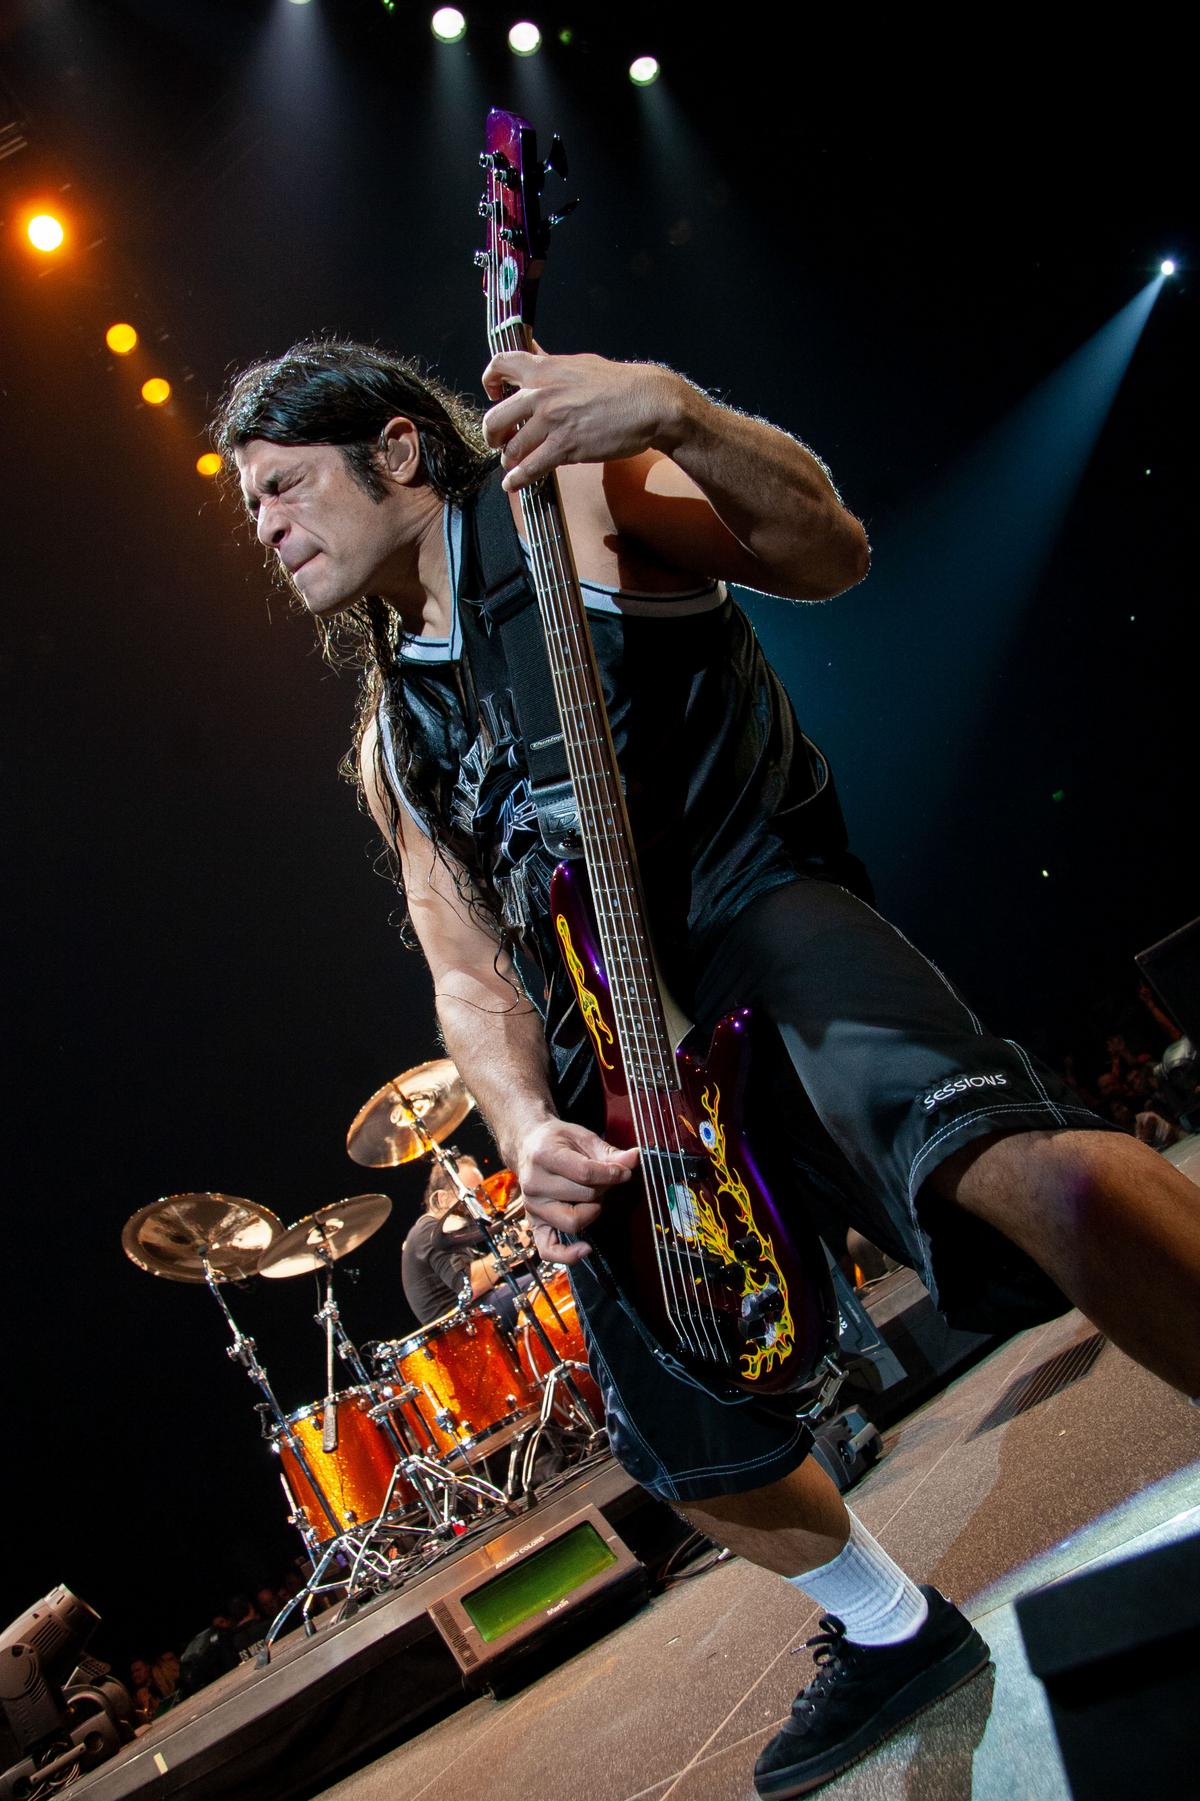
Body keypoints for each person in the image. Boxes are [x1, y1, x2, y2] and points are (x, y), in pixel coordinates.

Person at [213, 339, 1200, 1798]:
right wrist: (525, 1124)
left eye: (286, 485)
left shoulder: (577, 506)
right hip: (616, 1063)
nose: (267, 525)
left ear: (400, 451)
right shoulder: (395, 742)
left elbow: (830, 548)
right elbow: (466, 976)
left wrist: (678, 410)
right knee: (676, 1425)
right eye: (249, 507)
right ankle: (888, 1627)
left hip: (752, 922)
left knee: (1030, 1171)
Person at [401, 1154, 533, 1327]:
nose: (481, 1202)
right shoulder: (428, 1231)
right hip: (465, 1327)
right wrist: (509, 1247)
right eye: (472, 1194)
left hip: (478, 1313)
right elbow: (470, 1285)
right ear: (442, 1199)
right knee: (540, 1285)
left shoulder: (451, 1232)